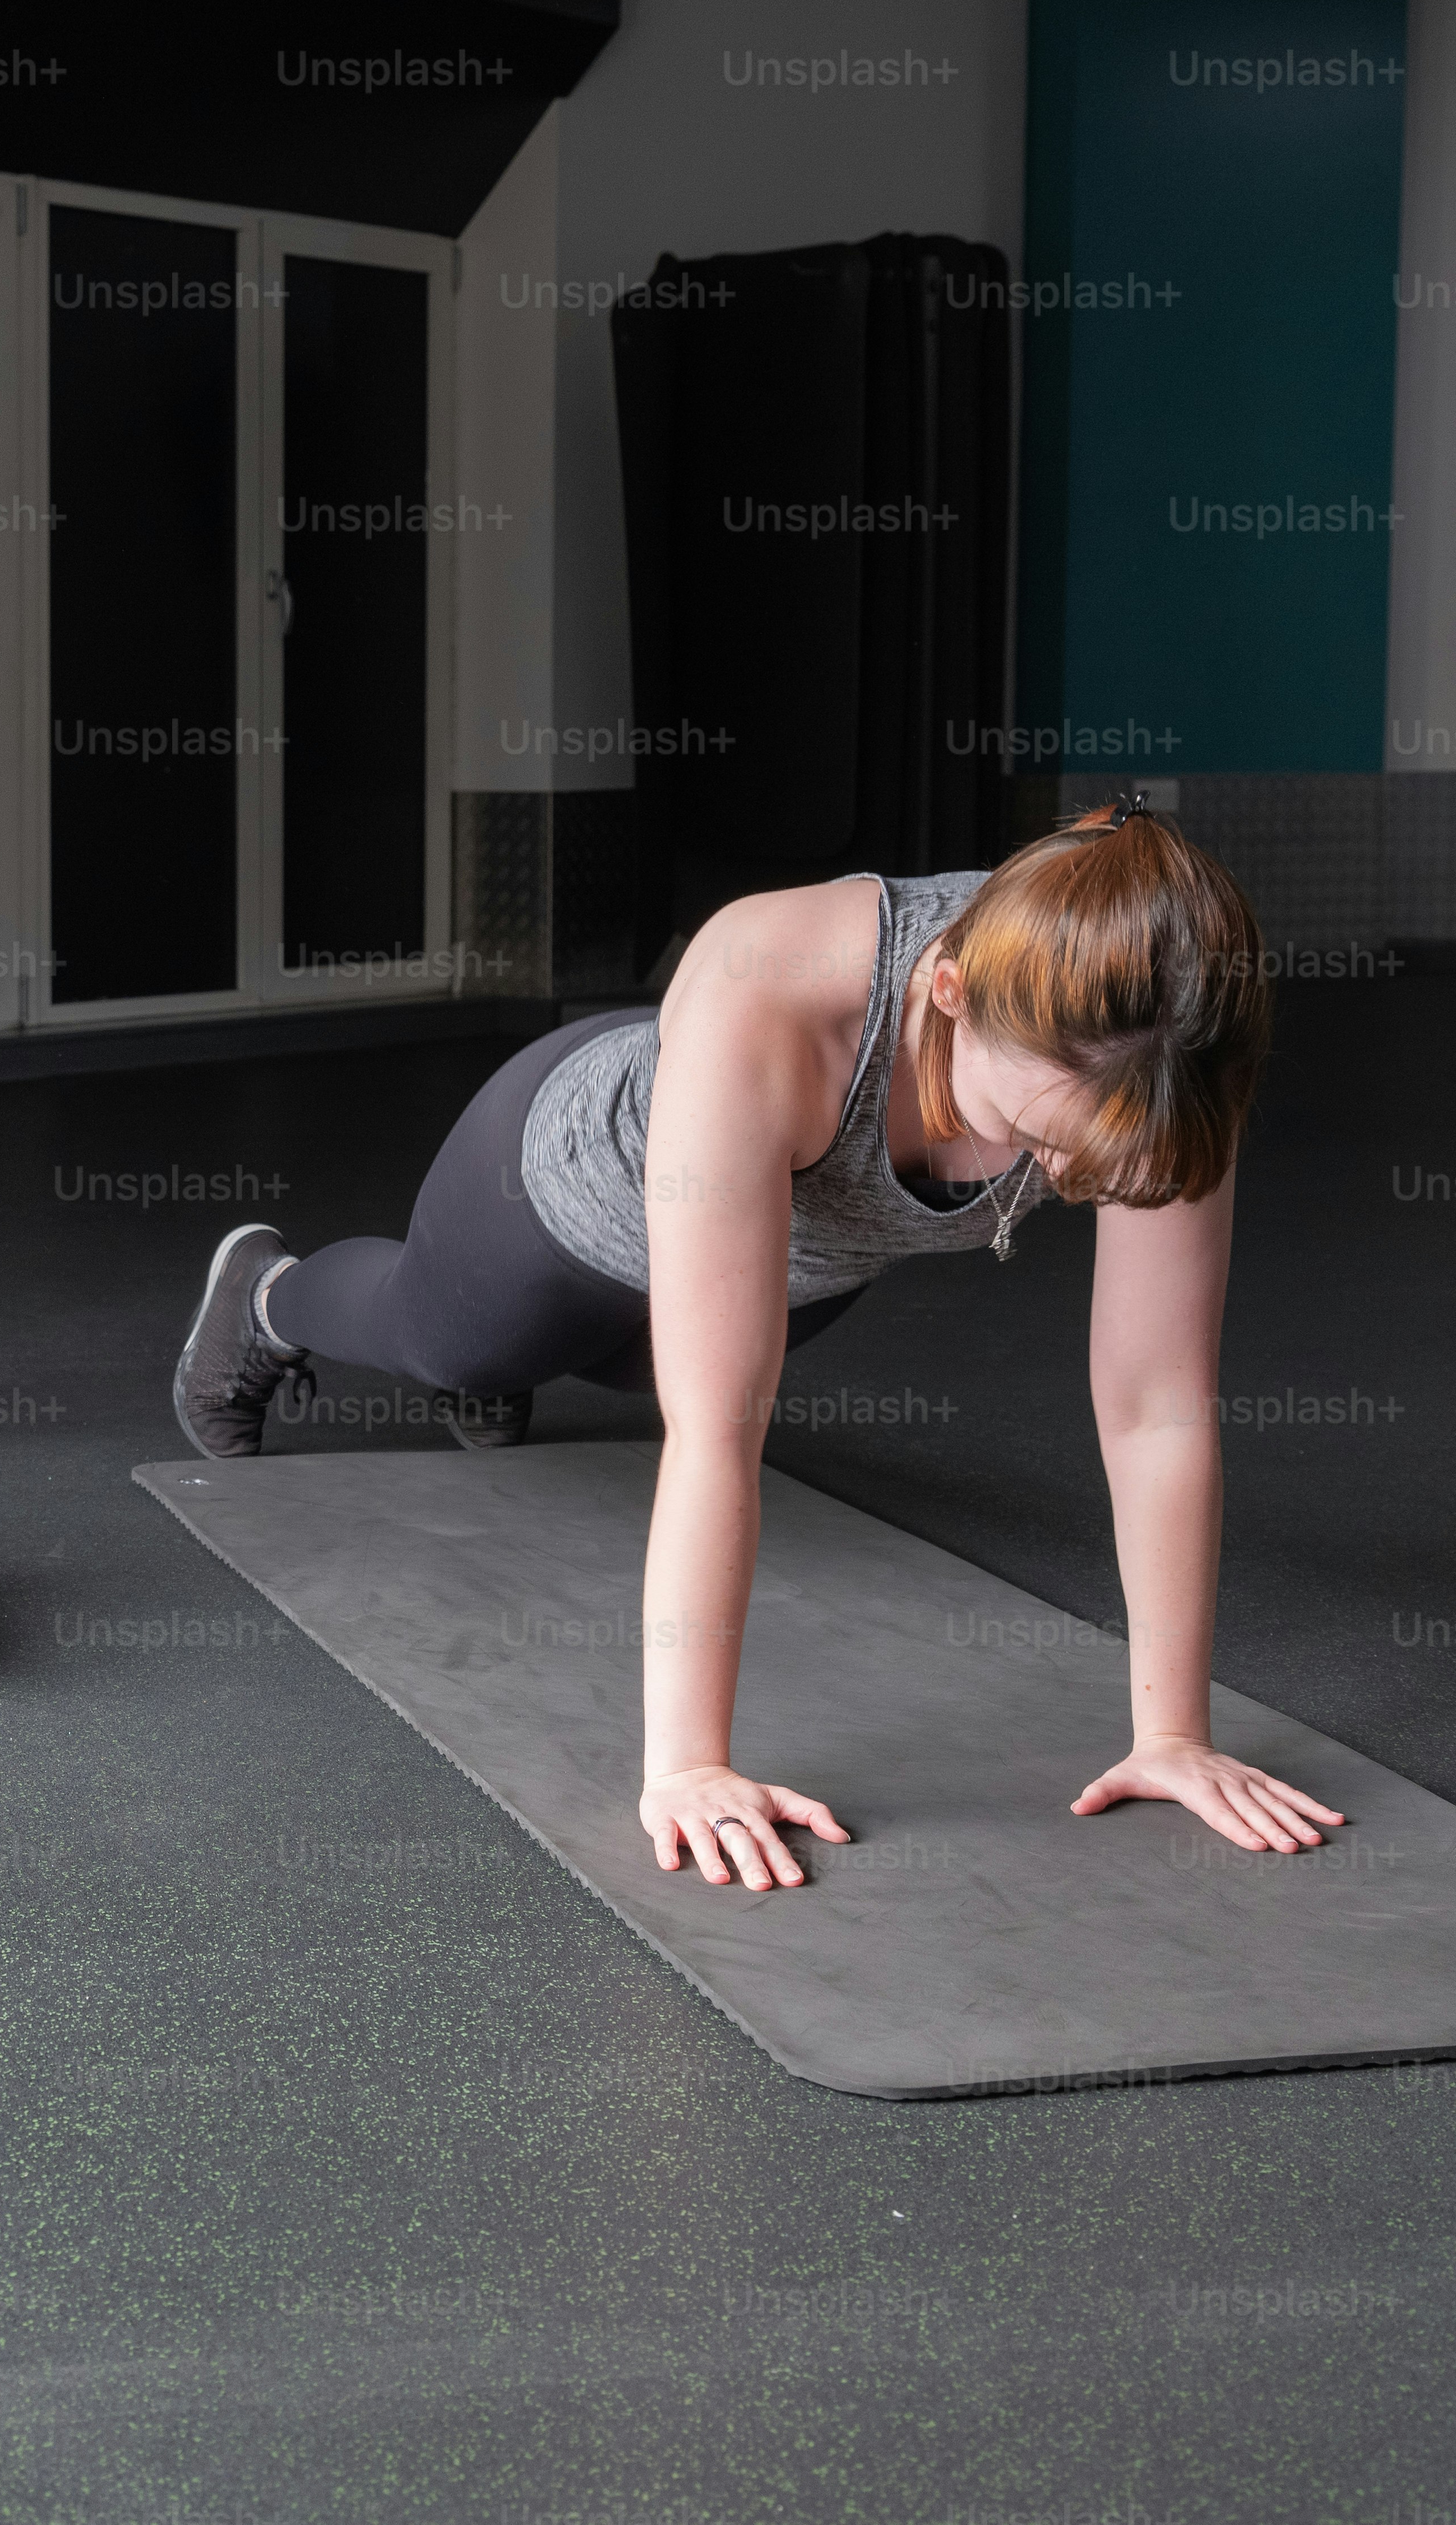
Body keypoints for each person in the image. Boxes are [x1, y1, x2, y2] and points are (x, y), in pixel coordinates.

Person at [170, 796, 1350, 1887]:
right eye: (1041, 1141)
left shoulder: (1166, 1040)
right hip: (569, 1184)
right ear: (944, 990)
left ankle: (524, 1365)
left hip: (799, 1251)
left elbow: (1153, 1403)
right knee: (444, 1342)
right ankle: (265, 1295)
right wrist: (687, 1764)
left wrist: (1172, 1735)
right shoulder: (773, 986)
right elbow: (713, 1433)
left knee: (635, 1362)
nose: (1063, 1181)